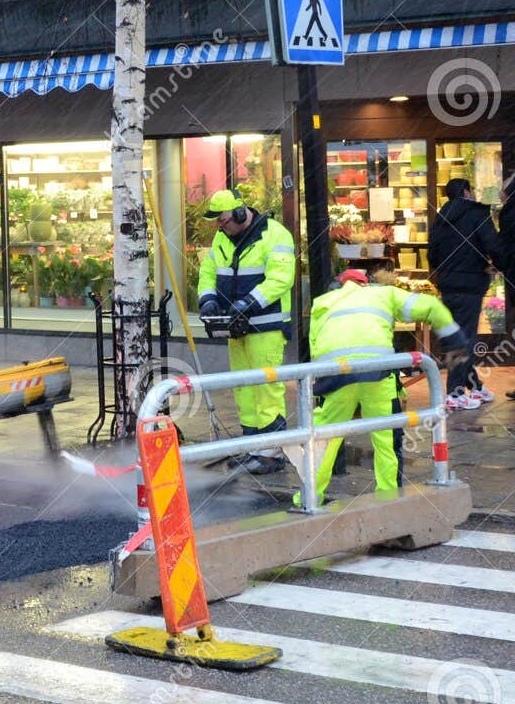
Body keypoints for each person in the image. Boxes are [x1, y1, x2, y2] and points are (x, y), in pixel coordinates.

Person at [300, 271, 467, 507]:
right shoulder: (384, 293)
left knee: (323, 441)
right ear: (365, 284)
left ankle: (308, 500)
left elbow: (316, 346)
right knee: (386, 441)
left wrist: (327, 387)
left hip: (336, 376)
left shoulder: (322, 302)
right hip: (377, 373)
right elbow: (430, 305)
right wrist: (455, 341)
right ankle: (388, 502)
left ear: (337, 285)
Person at [196, 188, 297, 473]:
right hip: (234, 325)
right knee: (243, 386)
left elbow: (281, 278)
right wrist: (208, 299)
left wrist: (249, 303)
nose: (220, 227)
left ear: (241, 213)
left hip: (266, 325)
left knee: (266, 387)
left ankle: (272, 452)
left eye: (224, 221)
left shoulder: (276, 235)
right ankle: (252, 446)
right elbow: (208, 272)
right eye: (216, 222)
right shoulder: (221, 238)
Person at [426, 177, 498, 409]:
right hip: (470, 286)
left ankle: (474, 387)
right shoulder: (477, 214)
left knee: (457, 337)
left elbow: (432, 255)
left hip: (448, 286)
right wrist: (500, 264)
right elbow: (493, 245)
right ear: (466, 191)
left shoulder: (441, 218)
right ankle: (455, 393)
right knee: (463, 340)